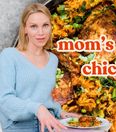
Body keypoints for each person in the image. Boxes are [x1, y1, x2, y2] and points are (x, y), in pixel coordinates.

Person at [0, 3, 79, 132]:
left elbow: (45, 98)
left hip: (49, 126)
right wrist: (37, 108)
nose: (41, 32)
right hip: (18, 127)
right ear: (25, 29)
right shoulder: (9, 55)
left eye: (45, 25)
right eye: (34, 26)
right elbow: (4, 100)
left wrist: (60, 112)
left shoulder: (53, 59)